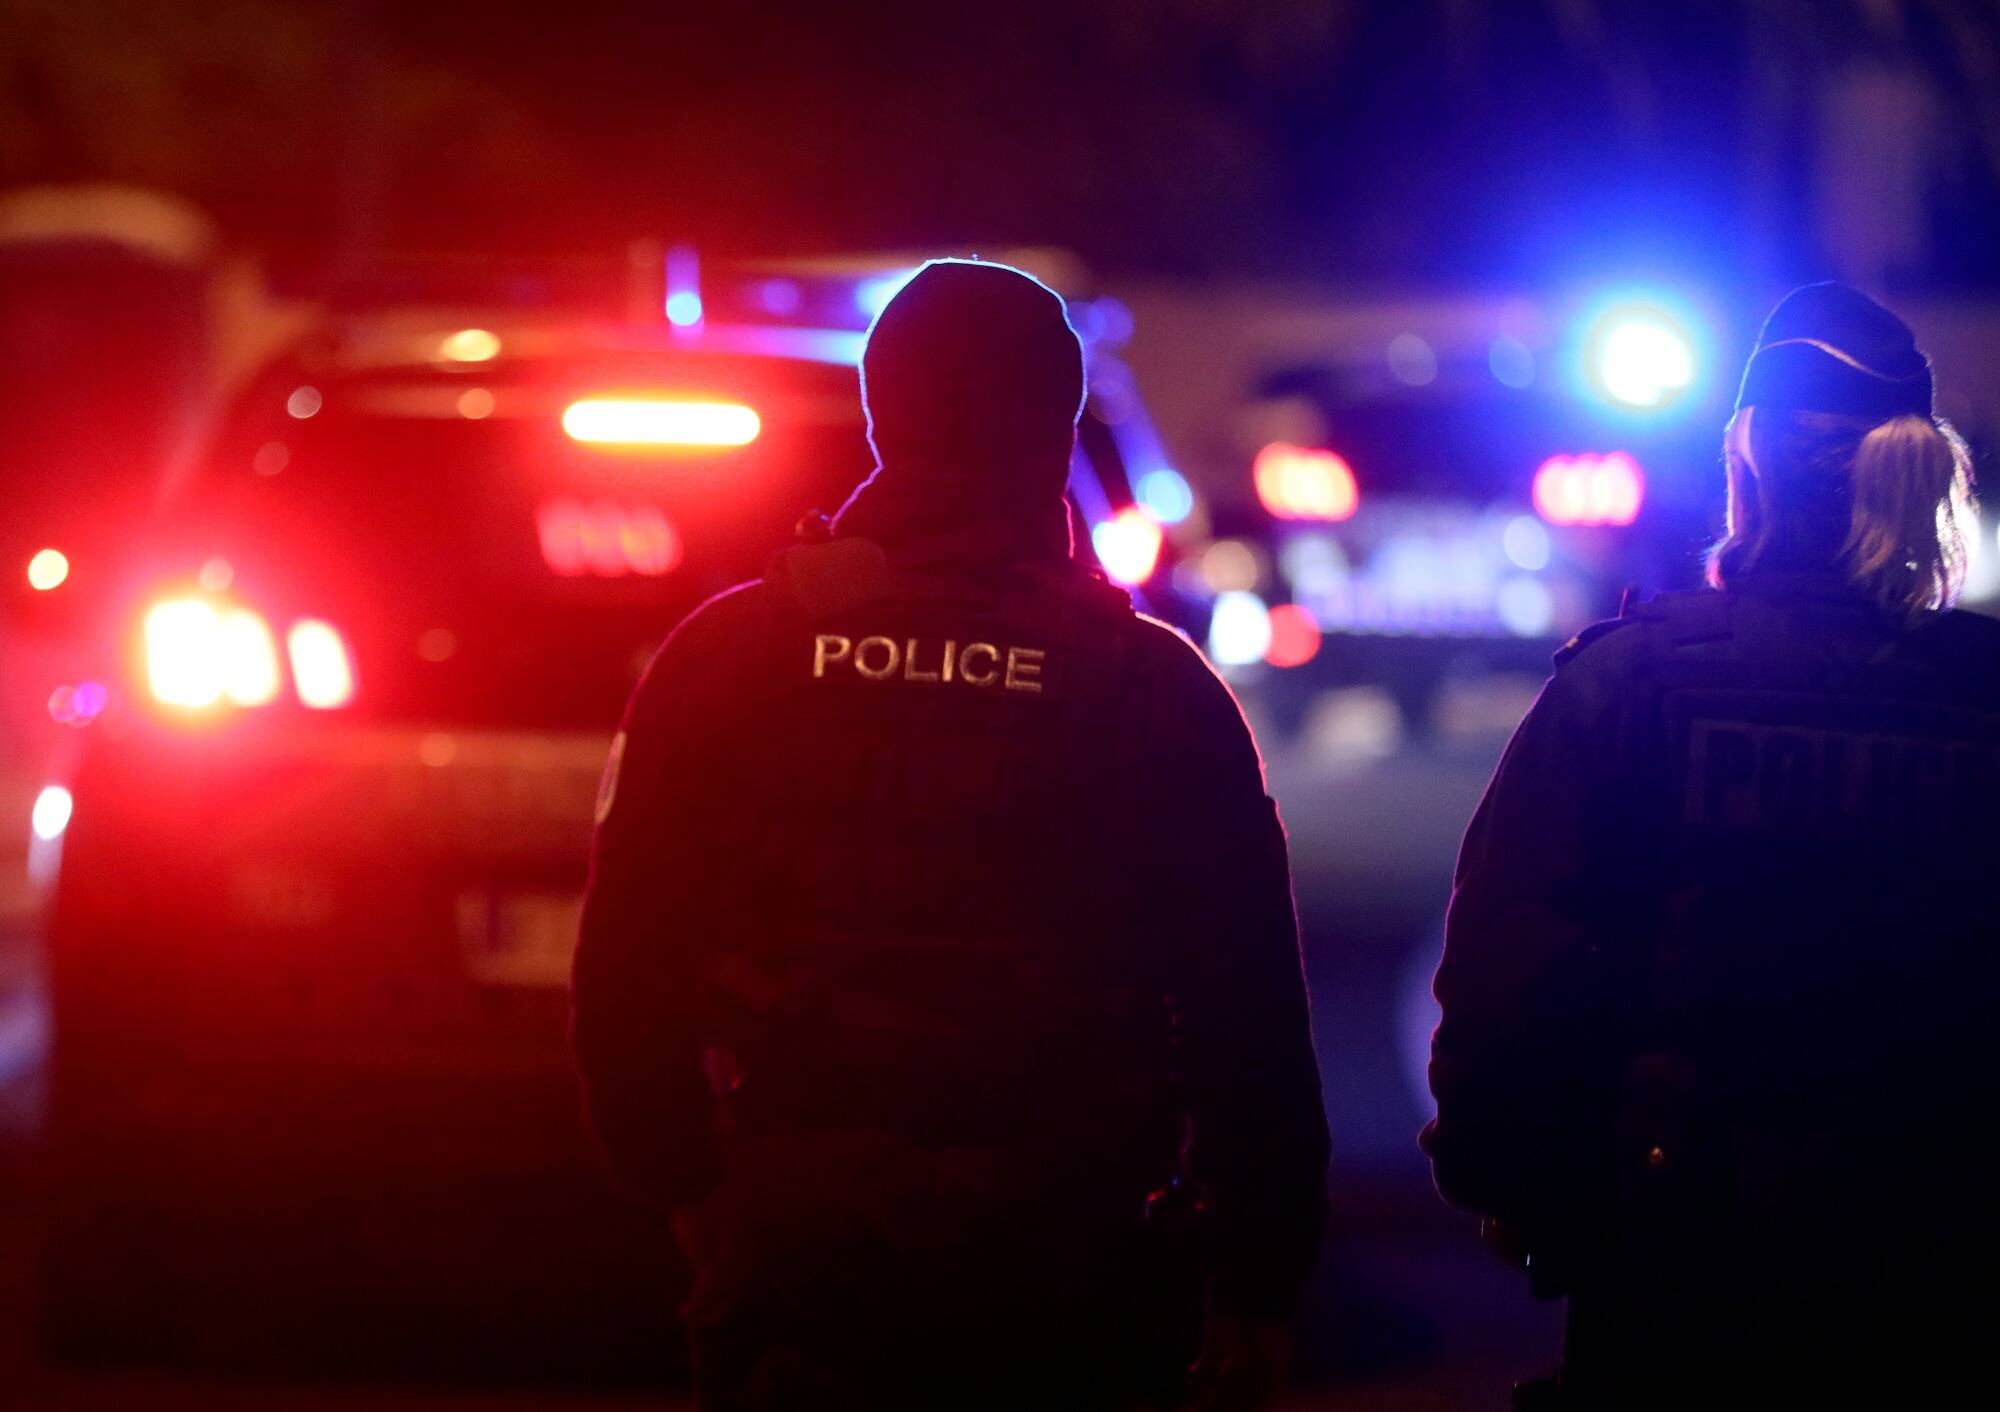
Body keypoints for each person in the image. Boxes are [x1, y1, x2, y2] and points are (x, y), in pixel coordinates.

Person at [572, 258, 1328, 1411]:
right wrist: (1258, 1279)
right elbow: (1248, 1013)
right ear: (1058, 422)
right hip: (1071, 1268)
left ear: (882, 411)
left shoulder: (727, 659)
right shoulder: (1151, 689)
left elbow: (626, 958)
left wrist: (688, 1188)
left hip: (800, 1257)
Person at [1425, 282, 2000, 1409]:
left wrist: (1515, 1185)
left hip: (1675, 1248)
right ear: (1925, 477)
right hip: (1940, 1261)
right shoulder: (1981, 699)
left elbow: (1506, 964)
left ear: (1747, 467)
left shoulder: (1629, 680)